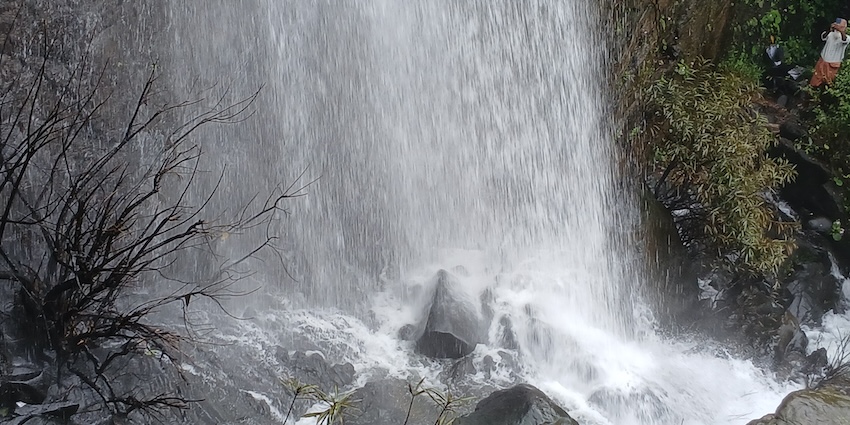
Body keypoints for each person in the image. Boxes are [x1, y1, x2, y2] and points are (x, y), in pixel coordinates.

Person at [810, 18, 850, 87]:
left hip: (833, 64)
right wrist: (830, 29)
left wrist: (840, 30)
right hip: (822, 61)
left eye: (839, 26)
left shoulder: (847, 37)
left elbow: (844, 39)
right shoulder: (830, 34)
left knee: (829, 84)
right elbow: (823, 37)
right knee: (815, 81)